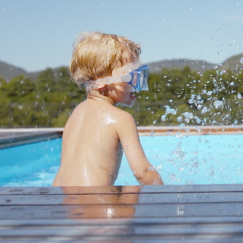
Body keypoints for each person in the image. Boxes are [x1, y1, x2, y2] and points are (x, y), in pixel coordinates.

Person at [53, 31, 163, 186]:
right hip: (93, 202)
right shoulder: (121, 118)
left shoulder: (77, 113)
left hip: (59, 199)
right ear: (101, 82)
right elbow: (143, 172)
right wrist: (166, 200)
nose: (138, 84)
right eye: (132, 77)